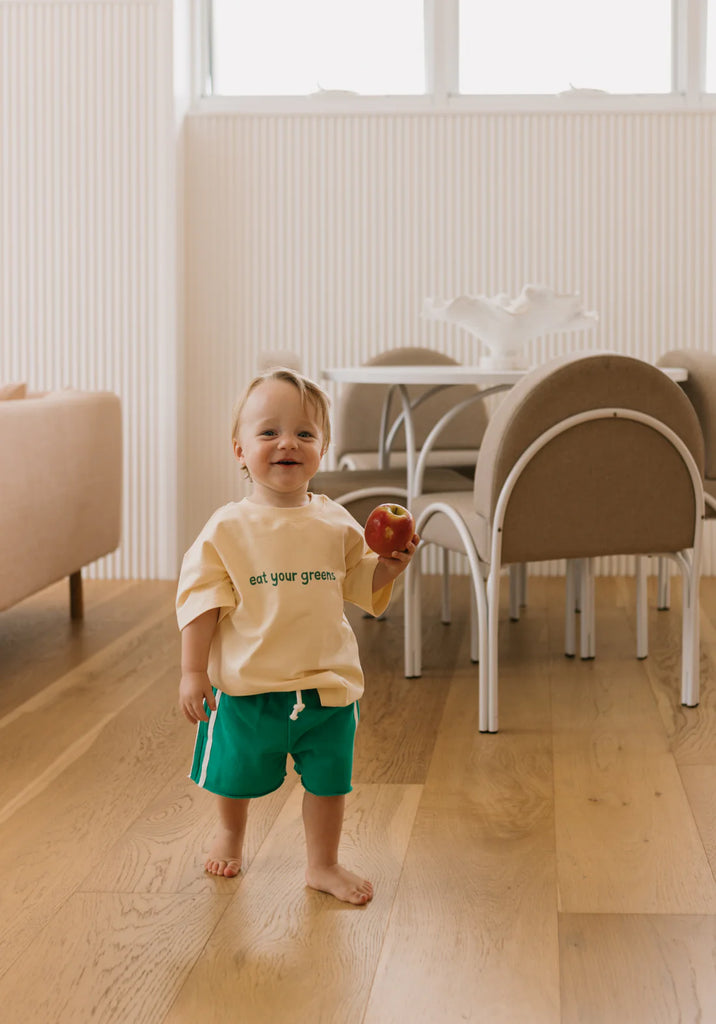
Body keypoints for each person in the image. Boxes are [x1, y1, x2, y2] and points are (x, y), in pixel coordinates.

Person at [176, 367, 419, 905]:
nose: (287, 442)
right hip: (247, 691)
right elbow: (201, 602)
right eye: (268, 433)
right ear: (239, 449)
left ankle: (323, 864)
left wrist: (389, 569)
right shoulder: (226, 529)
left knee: (331, 784)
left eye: (304, 433)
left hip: (327, 688)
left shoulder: (336, 522)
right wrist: (194, 672)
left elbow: (361, 580)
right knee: (234, 779)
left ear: (323, 448)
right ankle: (231, 833)